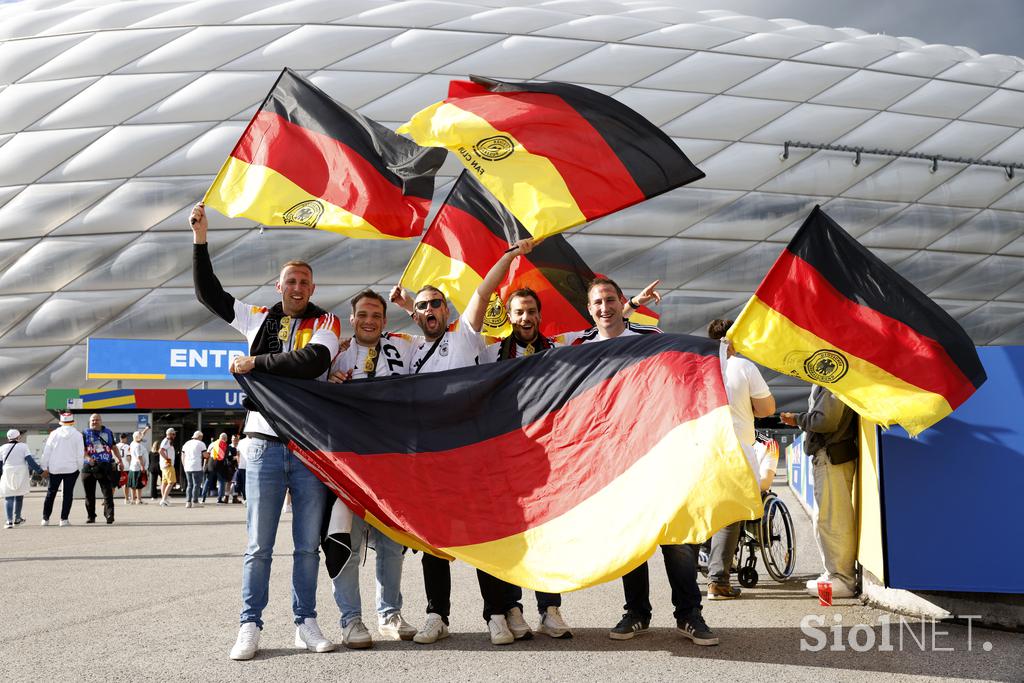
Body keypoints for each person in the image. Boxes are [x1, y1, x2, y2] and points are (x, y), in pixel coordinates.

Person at [191, 202, 341, 660]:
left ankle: (305, 622)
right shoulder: (258, 316)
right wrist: (200, 239)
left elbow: (313, 361)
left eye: (303, 282)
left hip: (309, 446)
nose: (297, 287)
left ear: (312, 287)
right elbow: (209, 295)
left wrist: (255, 363)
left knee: (305, 546)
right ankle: (249, 625)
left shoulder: (327, 322)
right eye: (289, 281)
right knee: (258, 544)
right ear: (279, 287)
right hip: (262, 444)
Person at [555, 277, 719, 646]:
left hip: (659, 453)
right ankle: (637, 612)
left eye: (610, 300)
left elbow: (684, 370)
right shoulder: (581, 348)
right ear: (589, 309)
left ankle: (689, 614)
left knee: (677, 538)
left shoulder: (649, 338)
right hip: (614, 462)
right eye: (597, 302)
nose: (604, 308)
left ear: (621, 301)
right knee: (631, 540)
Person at [470, 240, 572, 642]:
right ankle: (508, 607)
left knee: (545, 533)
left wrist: (630, 307)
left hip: (546, 456)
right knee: (504, 534)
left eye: (531, 311)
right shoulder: (493, 352)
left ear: (539, 315)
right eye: (519, 312)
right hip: (501, 458)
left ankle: (550, 608)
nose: (525, 317)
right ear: (509, 317)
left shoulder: (559, 351)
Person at [387, 281, 488, 646]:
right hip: (428, 457)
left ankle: (495, 612)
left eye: (437, 304)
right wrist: (408, 304)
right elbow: (422, 322)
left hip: (467, 453)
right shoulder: (411, 347)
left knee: (481, 533)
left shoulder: (462, 336)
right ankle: (437, 614)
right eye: (423, 306)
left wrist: (507, 258)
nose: (430, 310)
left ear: (448, 310)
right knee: (433, 539)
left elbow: (481, 295)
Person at [325, 289, 417, 649]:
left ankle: (389, 614)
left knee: (393, 545)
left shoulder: (402, 347)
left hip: (391, 465)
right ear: (352, 318)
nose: (369, 321)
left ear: (384, 319)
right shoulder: (335, 353)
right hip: (347, 467)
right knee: (344, 542)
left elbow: (445, 338)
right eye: (363, 314)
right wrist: (328, 385)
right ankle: (351, 620)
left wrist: (410, 307)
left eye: (376, 315)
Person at [704, 319, 775, 600]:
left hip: (703, 448)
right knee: (730, 515)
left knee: (706, 510)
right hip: (736, 451)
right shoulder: (743, 366)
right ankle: (718, 581)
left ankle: (702, 569)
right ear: (734, 341)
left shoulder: (700, 366)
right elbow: (767, 408)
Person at [781, 386, 859, 599]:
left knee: (833, 520)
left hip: (832, 456)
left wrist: (799, 419)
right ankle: (835, 574)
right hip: (830, 456)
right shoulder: (830, 378)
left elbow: (826, 421)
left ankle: (843, 579)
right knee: (826, 519)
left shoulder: (833, 377)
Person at [40, 412, 84, 526]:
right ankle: (63, 519)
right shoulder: (78, 435)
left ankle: (45, 519)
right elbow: (80, 454)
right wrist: (80, 467)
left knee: (51, 493)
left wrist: (44, 466)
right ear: (72, 422)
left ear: (61, 422)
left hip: (55, 468)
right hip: (71, 468)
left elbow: (47, 451)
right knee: (68, 494)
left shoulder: (54, 434)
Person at [81, 413, 123, 525]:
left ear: (101, 421)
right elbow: (82, 449)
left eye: (97, 420)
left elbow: (114, 447)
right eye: (92, 420)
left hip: (104, 466)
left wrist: (119, 459)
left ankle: (109, 515)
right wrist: (88, 458)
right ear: (89, 422)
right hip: (89, 467)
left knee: (108, 493)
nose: (94, 422)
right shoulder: (84, 433)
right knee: (89, 494)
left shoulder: (108, 432)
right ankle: (91, 516)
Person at [1, 429, 43, 528]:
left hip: (7, 472)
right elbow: (30, 461)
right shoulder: (23, 447)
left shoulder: (2, 448)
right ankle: (17, 519)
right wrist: (40, 471)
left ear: (8, 438)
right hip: (21, 472)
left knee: (8, 497)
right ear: (18, 437)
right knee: (19, 496)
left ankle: (9, 521)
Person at [180, 431, 207, 509]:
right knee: (196, 484)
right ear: (200, 436)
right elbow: (205, 455)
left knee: (189, 484)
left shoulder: (186, 443)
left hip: (187, 466)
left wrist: (184, 465)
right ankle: (195, 501)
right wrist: (209, 455)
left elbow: (183, 455)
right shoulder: (201, 444)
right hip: (196, 466)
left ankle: (188, 502)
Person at [127, 429, 149, 505]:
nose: (142, 437)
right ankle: (139, 500)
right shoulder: (138, 446)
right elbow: (139, 457)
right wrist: (142, 466)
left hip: (133, 466)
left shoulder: (132, 443)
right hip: (138, 467)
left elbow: (141, 434)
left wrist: (146, 429)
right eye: (140, 436)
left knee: (132, 484)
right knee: (138, 485)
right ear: (137, 437)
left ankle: (133, 499)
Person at [158, 428, 177, 506]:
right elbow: (161, 450)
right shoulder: (167, 441)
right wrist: (167, 459)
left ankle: (164, 499)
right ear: (169, 434)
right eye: (173, 434)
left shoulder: (167, 441)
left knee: (165, 482)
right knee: (171, 481)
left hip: (165, 465)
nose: (175, 435)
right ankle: (164, 499)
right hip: (167, 465)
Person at [233, 435, 250, 504]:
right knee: (249, 483)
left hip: (242, 466)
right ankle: (248, 498)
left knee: (243, 483)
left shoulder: (241, 442)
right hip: (251, 465)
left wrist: (239, 463)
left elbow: (238, 454)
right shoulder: (253, 441)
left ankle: (245, 498)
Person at [117, 433, 132, 503]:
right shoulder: (127, 446)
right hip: (125, 467)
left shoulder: (116, 446)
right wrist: (130, 464)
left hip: (117, 466)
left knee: (113, 484)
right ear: (125, 438)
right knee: (126, 483)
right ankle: (126, 499)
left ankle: (107, 499)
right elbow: (128, 457)